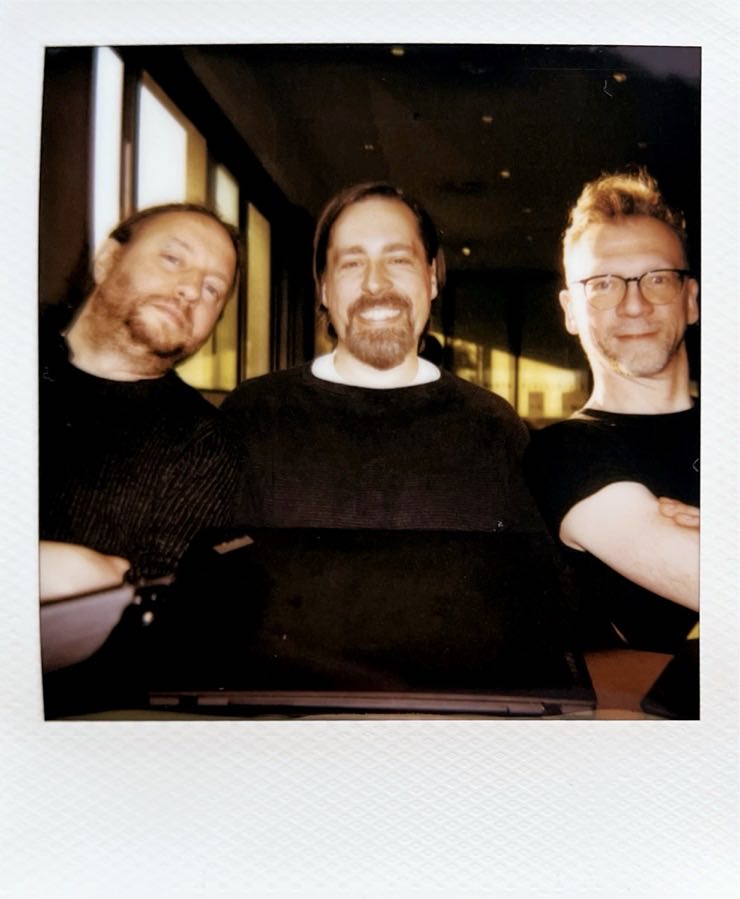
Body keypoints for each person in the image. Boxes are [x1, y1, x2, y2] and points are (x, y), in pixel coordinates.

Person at [221, 182, 544, 533]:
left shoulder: (494, 427)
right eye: (352, 262)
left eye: (398, 259)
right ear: (325, 288)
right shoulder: (252, 415)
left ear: (432, 279)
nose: (375, 283)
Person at [40, 203, 243, 689]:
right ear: (108, 259)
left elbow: (156, 631)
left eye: (213, 288)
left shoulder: (202, 445)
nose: (192, 289)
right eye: (174, 259)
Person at [524, 169, 700, 652]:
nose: (635, 304)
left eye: (658, 278)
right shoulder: (563, 455)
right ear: (570, 311)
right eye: (603, 285)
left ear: (691, 300)